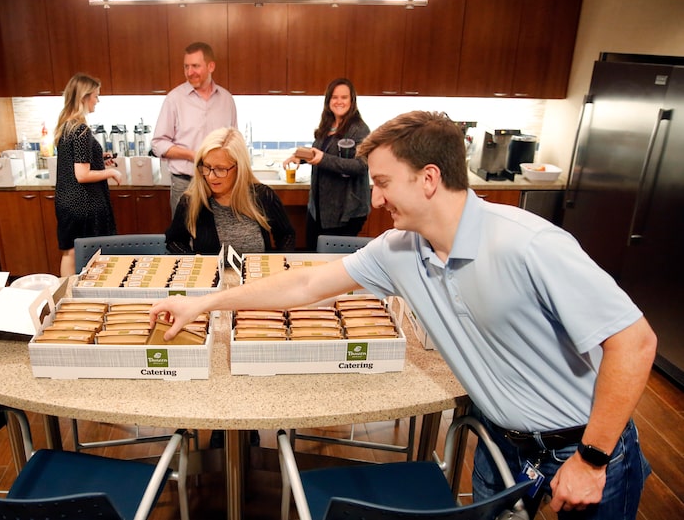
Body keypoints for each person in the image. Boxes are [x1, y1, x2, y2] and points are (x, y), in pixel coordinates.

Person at [151, 111, 657, 519]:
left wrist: (593, 460)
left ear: (429, 179)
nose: (375, 198)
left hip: (584, 447)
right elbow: (305, 283)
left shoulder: (530, 244)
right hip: (498, 443)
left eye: (384, 182)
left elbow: (634, 342)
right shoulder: (399, 249)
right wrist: (203, 302)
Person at [166, 127, 295, 255]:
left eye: (220, 169)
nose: (211, 177)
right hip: (213, 275)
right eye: (207, 167)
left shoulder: (263, 196)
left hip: (258, 275)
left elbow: (286, 235)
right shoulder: (191, 201)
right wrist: (195, 261)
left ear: (239, 168)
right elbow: (174, 241)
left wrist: (279, 263)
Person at [282, 78, 371, 250]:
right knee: (313, 253)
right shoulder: (327, 126)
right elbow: (320, 153)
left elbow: (360, 165)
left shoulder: (359, 129)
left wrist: (323, 159)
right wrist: (299, 157)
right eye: (334, 97)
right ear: (328, 100)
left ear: (352, 100)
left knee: (331, 262)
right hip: (319, 208)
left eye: (344, 97)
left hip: (345, 210)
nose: (339, 101)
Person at [151, 42, 238, 216]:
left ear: (211, 66)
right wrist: (193, 155)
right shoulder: (174, 99)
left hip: (220, 185)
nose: (190, 72)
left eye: (196, 66)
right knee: (183, 238)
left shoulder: (226, 99)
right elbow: (158, 143)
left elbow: (234, 141)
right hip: (185, 184)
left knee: (219, 238)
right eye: (186, 67)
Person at [54, 73, 121, 277]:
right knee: (88, 253)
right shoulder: (81, 129)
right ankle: (88, 297)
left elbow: (75, 161)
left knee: (70, 252)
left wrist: (100, 158)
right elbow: (82, 174)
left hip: (66, 201)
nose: (97, 101)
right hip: (83, 203)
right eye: (95, 96)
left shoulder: (66, 126)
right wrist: (110, 172)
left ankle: (66, 296)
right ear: (84, 97)